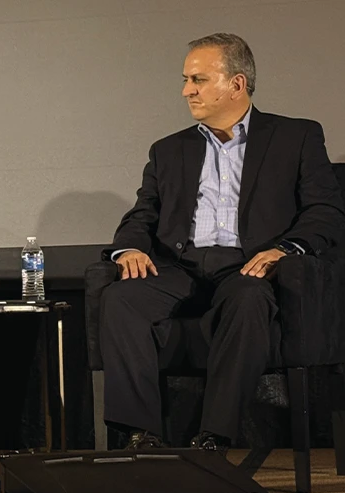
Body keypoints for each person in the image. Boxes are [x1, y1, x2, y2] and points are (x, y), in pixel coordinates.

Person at [100, 33, 345, 452]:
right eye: (185, 79)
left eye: (197, 79)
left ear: (236, 84)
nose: (186, 90)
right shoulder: (168, 150)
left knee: (249, 300)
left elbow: (326, 211)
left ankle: (214, 437)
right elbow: (143, 214)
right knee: (121, 299)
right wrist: (130, 248)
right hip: (180, 266)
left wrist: (284, 250)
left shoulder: (296, 137)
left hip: (248, 265)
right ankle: (141, 437)